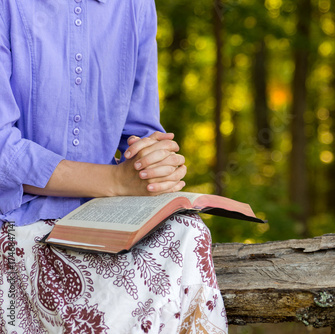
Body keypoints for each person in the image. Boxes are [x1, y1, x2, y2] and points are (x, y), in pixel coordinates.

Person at [0, 0, 228, 332]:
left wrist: (155, 163)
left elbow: (140, 129)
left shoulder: (136, 6)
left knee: (191, 235)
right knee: (117, 303)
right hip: (20, 218)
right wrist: (115, 180)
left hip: (107, 214)